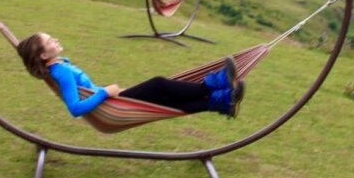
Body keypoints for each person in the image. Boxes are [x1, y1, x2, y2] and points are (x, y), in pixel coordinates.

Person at [17, 33, 246, 118]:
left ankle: (222, 102)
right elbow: (75, 109)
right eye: (50, 41)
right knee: (159, 85)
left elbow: (27, 52)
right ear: (43, 55)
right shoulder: (62, 72)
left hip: (110, 100)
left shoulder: (58, 65)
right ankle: (214, 85)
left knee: (166, 100)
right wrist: (105, 92)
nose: (55, 40)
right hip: (110, 105)